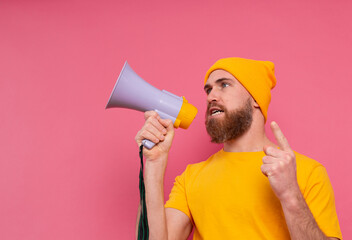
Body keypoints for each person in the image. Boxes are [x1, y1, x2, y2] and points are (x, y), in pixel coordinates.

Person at [135, 57, 342, 240]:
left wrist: (290, 194)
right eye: (208, 89)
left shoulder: (307, 172)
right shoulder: (190, 178)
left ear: (255, 99)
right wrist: (154, 163)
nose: (210, 97)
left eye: (224, 85)